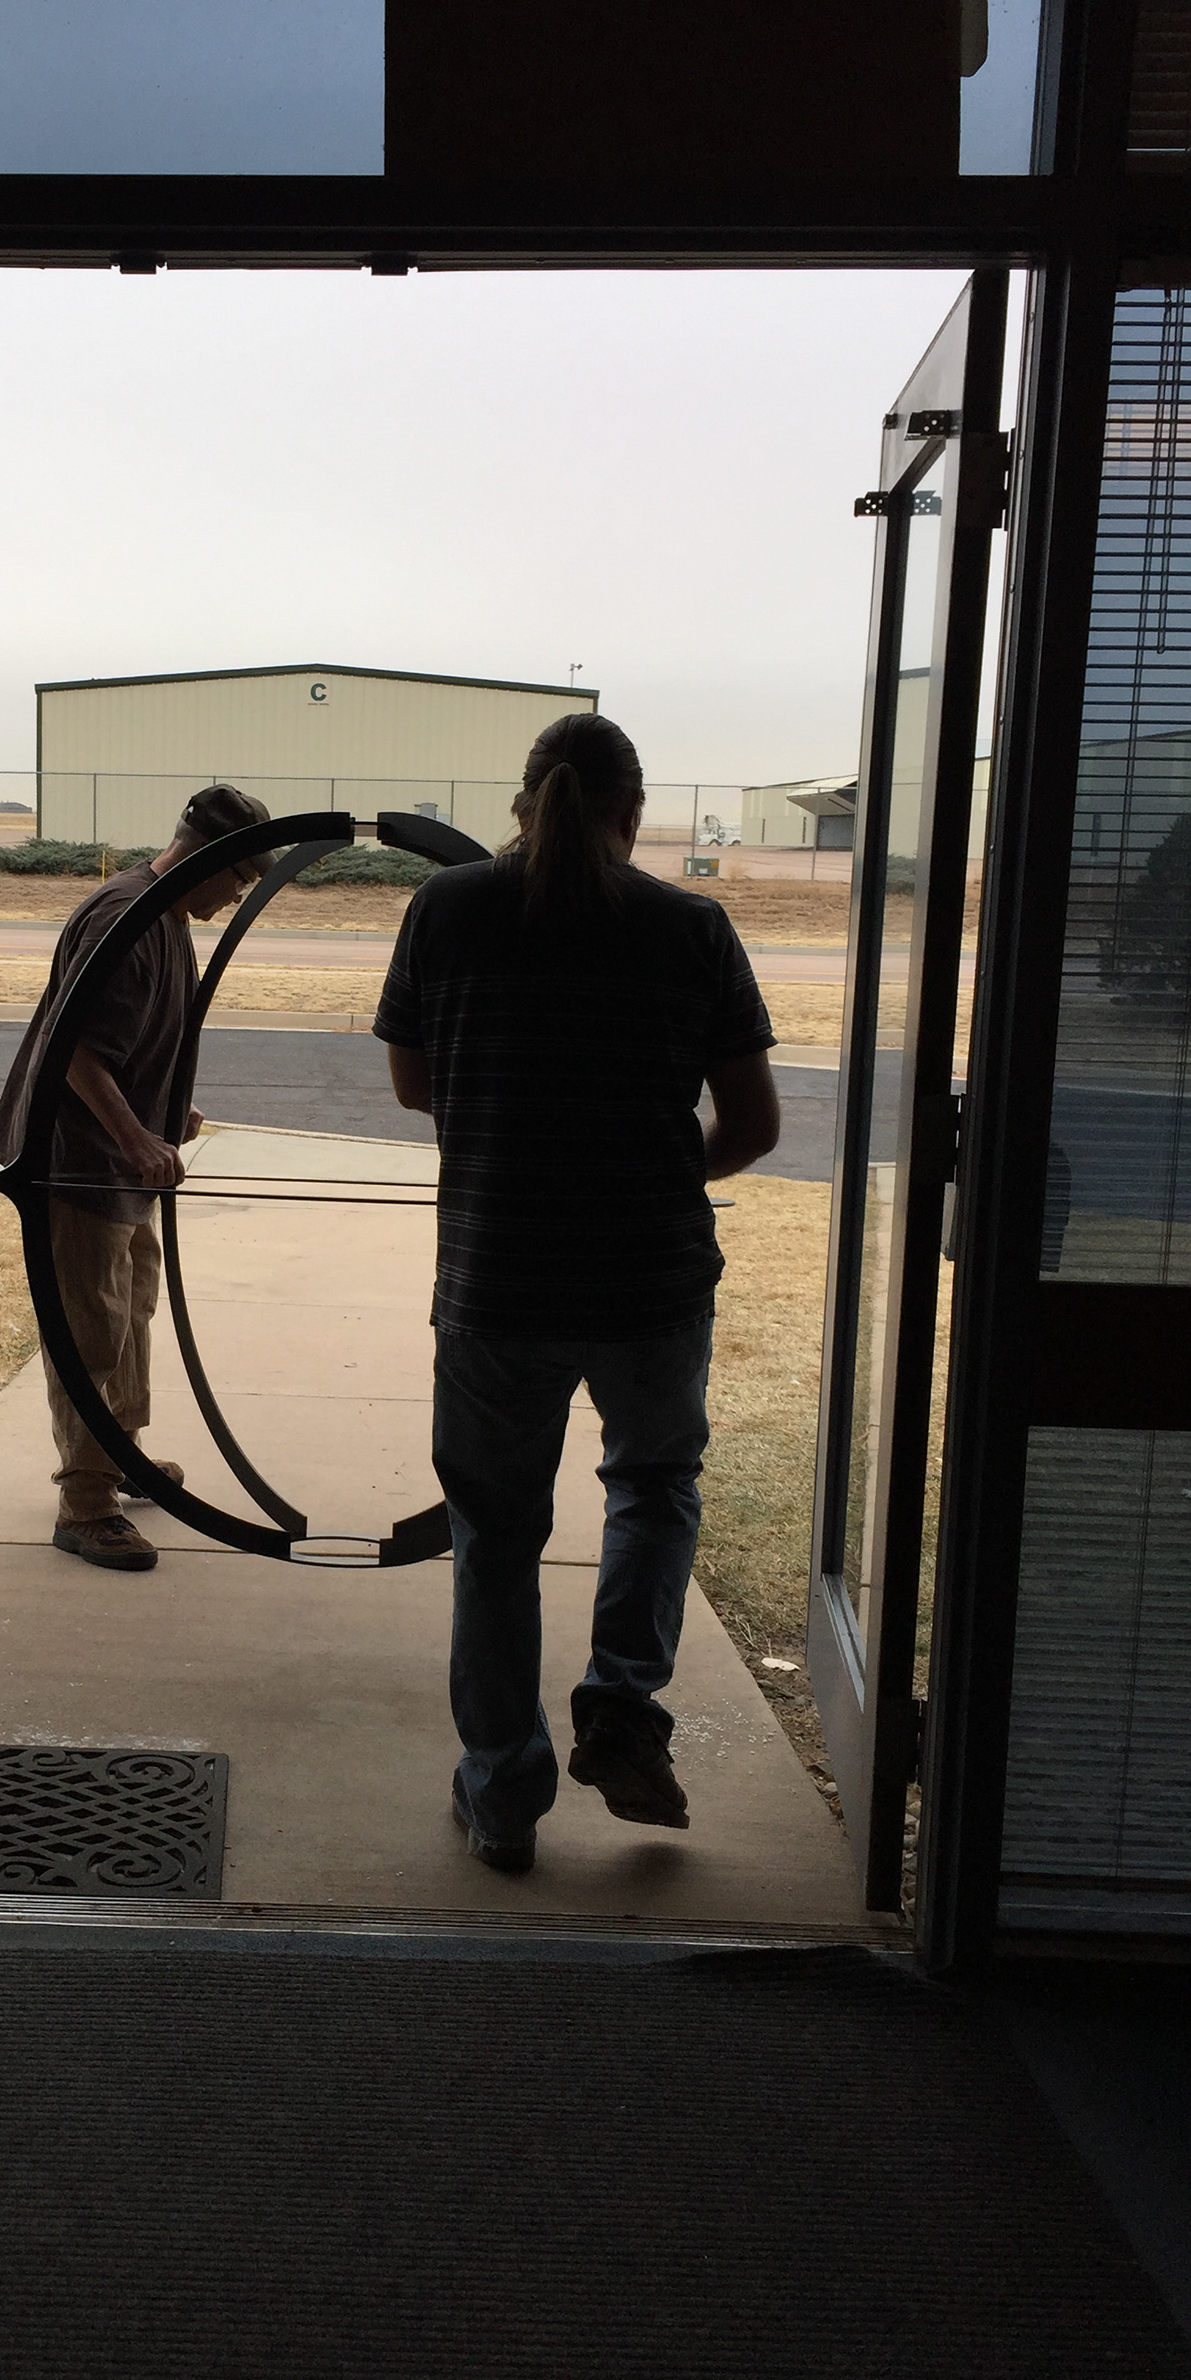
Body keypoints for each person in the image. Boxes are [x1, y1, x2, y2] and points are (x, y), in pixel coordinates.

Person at [374, 713, 780, 1872]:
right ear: (633, 813)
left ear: (524, 801)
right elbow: (751, 1125)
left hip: (497, 1276)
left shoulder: (447, 908)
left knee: (494, 1534)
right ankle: (620, 1711)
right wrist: (648, 1164)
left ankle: (504, 1792)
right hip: (651, 1277)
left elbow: (415, 1084)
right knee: (653, 1487)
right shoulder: (692, 926)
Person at [0, 784, 272, 1571]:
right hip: (75, 1164)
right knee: (91, 1328)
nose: (239, 891)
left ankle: (122, 1455)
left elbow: (127, 1044)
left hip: (116, 1164)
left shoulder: (167, 917)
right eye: (238, 876)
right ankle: (84, 1502)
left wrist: (163, 1114)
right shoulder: (125, 917)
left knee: (132, 1309)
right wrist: (134, 1136)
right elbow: (74, 1052)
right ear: (204, 858)